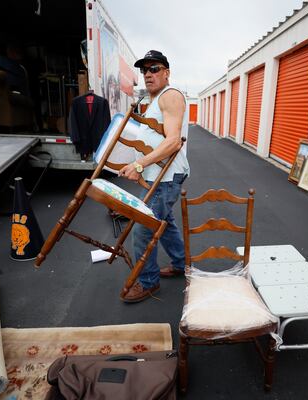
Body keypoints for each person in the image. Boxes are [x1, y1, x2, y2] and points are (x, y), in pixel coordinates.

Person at [118, 50, 190, 303]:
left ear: (167, 72)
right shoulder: (155, 99)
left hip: (166, 177)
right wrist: (136, 165)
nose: (148, 74)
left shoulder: (170, 96)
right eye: (144, 70)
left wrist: (139, 165)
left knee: (143, 230)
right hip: (159, 175)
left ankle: (149, 282)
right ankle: (182, 264)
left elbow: (173, 142)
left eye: (154, 68)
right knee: (165, 223)